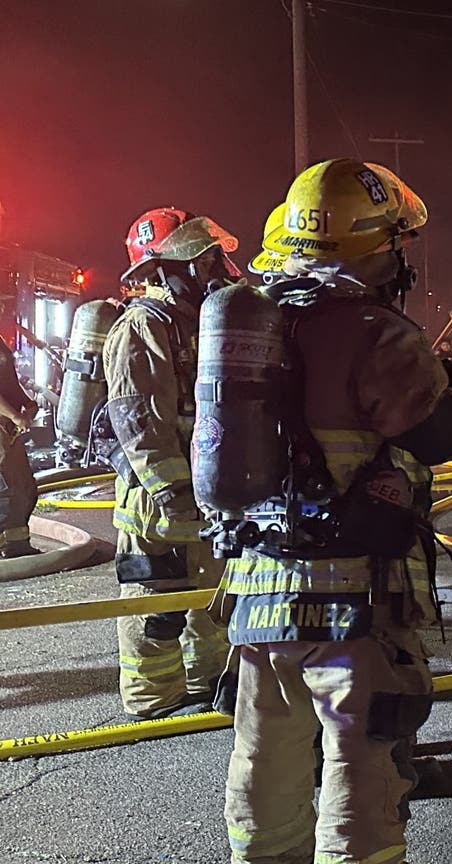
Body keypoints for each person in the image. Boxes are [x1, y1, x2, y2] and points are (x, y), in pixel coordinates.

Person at [217, 159, 452, 864]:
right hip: (351, 585)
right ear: (373, 243)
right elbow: (437, 434)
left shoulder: (248, 318)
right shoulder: (372, 328)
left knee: (267, 732)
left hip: (257, 574)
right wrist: (450, 377)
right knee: (363, 738)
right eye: (397, 240)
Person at [104, 208, 239, 718]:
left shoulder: (202, 323)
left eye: (212, 259)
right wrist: (176, 494)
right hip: (155, 503)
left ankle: (207, 684)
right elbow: (139, 423)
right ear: (161, 270)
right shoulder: (141, 328)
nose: (215, 271)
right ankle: (151, 698)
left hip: (201, 497)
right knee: (155, 605)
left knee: (209, 597)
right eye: (199, 262)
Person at [0, 337, 38, 557]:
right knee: (6, 489)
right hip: (4, 425)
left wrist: (27, 402)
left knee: (23, 487)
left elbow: (8, 380)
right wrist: (15, 415)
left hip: (9, 427)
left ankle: (17, 544)